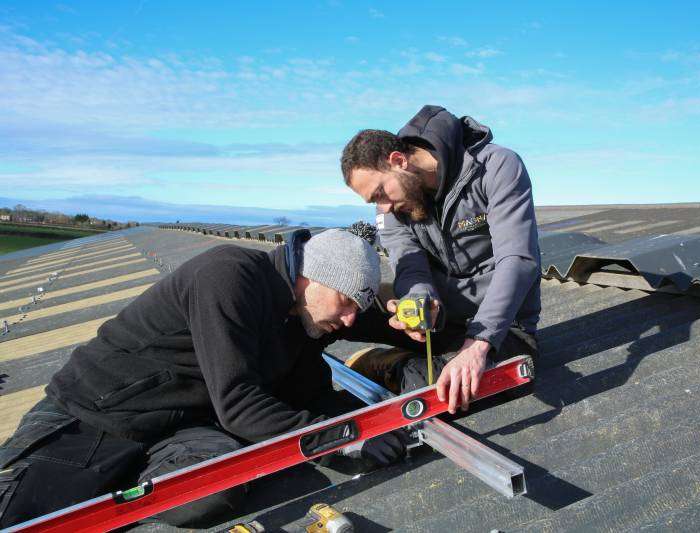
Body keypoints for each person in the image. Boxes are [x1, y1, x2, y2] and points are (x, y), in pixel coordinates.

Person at [0, 229, 408, 529]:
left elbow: (312, 389)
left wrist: (439, 327)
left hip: (176, 428)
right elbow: (239, 404)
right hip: (92, 419)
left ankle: (130, 485)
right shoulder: (228, 276)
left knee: (215, 490)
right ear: (313, 277)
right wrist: (347, 437)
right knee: (27, 522)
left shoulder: (303, 317)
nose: (350, 320)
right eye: (347, 302)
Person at [339, 105, 541, 414]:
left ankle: (387, 363)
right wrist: (420, 302)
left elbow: (518, 260)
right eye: (373, 201)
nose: (383, 208)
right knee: (338, 310)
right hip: (443, 319)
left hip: (501, 327)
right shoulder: (393, 205)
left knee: (440, 394)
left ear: (398, 161)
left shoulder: (496, 166)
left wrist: (478, 343)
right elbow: (408, 262)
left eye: (381, 192)